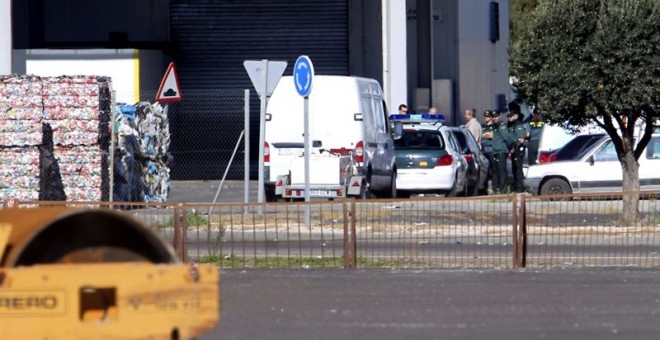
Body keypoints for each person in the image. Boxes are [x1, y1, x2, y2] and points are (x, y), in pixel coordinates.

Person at [489, 111, 511, 194]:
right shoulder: (495, 126)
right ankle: (496, 188)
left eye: (496, 116)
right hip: (495, 151)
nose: (494, 118)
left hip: (501, 151)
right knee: (495, 171)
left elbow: (507, 138)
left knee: (502, 171)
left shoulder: (502, 126)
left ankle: (503, 189)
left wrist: (507, 148)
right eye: (493, 117)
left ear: (500, 116)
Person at [507, 110, 527, 193]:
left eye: (511, 116)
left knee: (518, 168)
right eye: (508, 116)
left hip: (518, 150)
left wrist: (515, 144)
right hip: (513, 150)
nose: (509, 118)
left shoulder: (518, 125)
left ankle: (520, 187)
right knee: (514, 168)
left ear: (516, 116)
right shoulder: (511, 125)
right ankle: (516, 186)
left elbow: (520, 139)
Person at [480, 110, 496, 194]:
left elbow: (492, 135)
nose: (486, 118)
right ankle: (485, 188)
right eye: (485, 116)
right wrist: (486, 135)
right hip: (484, 150)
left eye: (488, 117)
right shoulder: (482, 126)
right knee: (485, 171)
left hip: (491, 149)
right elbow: (481, 135)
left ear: (491, 118)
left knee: (493, 170)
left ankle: (494, 188)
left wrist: (486, 135)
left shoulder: (494, 126)